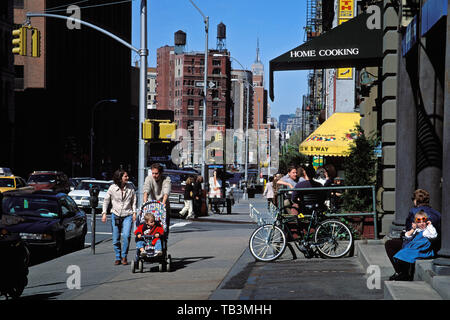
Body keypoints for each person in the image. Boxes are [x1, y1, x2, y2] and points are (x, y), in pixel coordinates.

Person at [385, 189, 441, 279]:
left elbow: (409, 230)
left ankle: (401, 272)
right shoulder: (437, 213)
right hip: (433, 247)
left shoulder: (414, 212)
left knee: (390, 244)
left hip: (419, 245)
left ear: (416, 200)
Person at [101, 169, 137, 266]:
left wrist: (134, 212)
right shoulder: (112, 188)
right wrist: (104, 213)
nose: (127, 178)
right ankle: (118, 256)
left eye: (127, 176)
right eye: (125, 176)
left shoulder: (130, 187)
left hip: (127, 214)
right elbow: (106, 201)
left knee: (126, 236)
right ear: (120, 178)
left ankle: (124, 256)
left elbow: (134, 201)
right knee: (115, 238)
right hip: (115, 214)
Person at [390, 211, 438, 281]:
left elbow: (434, 235)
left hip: (422, 251)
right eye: (419, 221)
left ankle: (405, 274)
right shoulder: (417, 230)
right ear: (416, 223)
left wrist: (430, 225)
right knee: (403, 253)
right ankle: (404, 272)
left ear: (427, 221)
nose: (421, 223)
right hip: (415, 249)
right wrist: (413, 229)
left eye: (424, 221)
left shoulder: (427, 231)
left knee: (405, 253)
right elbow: (407, 236)